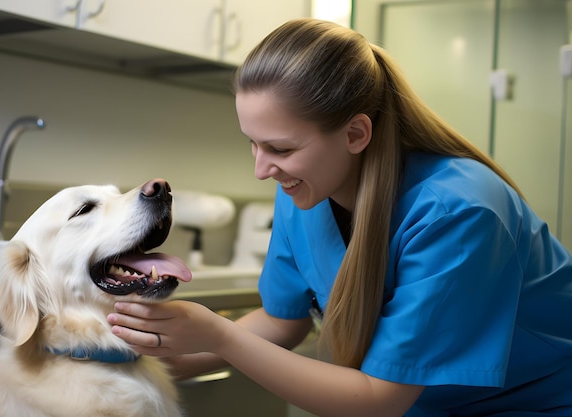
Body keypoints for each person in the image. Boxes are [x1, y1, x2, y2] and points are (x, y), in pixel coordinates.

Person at [107, 18, 572, 416]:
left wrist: (219, 335)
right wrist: (147, 357)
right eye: (252, 141)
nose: (261, 169)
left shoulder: (459, 213)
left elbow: (379, 400)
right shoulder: (305, 192)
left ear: (355, 133)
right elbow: (281, 321)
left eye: (281, 148)